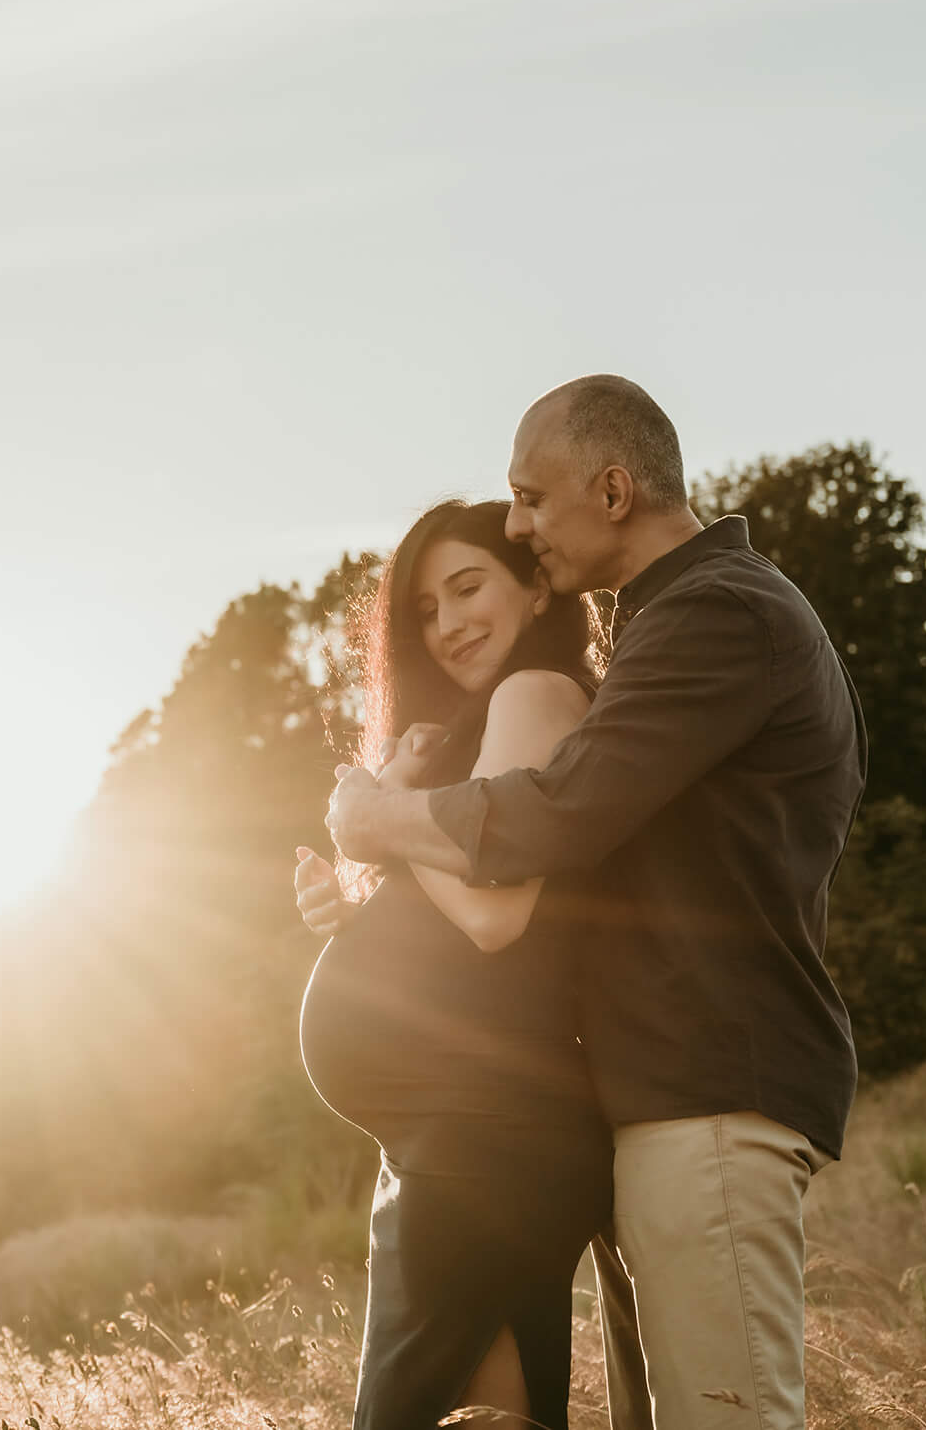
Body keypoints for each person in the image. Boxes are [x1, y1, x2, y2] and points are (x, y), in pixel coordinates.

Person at [310, 374, 865, 1430]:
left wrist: (379, 820)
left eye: (530, 496)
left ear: (611, 491)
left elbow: (552, 817)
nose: (520, 525)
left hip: (706, 1090)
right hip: (654, 1095)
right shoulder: (673, 623)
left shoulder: (721, 615)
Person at [295, 497, 623, 1430]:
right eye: (426, 610)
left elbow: (494, 911)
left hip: (487, 1143)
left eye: (468, 587)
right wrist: (355, 909)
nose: (447, 624)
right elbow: (469, 936)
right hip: (456, 1145)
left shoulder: (537, 692)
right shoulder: (486, 725)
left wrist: (381, 826)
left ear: (532, 586)